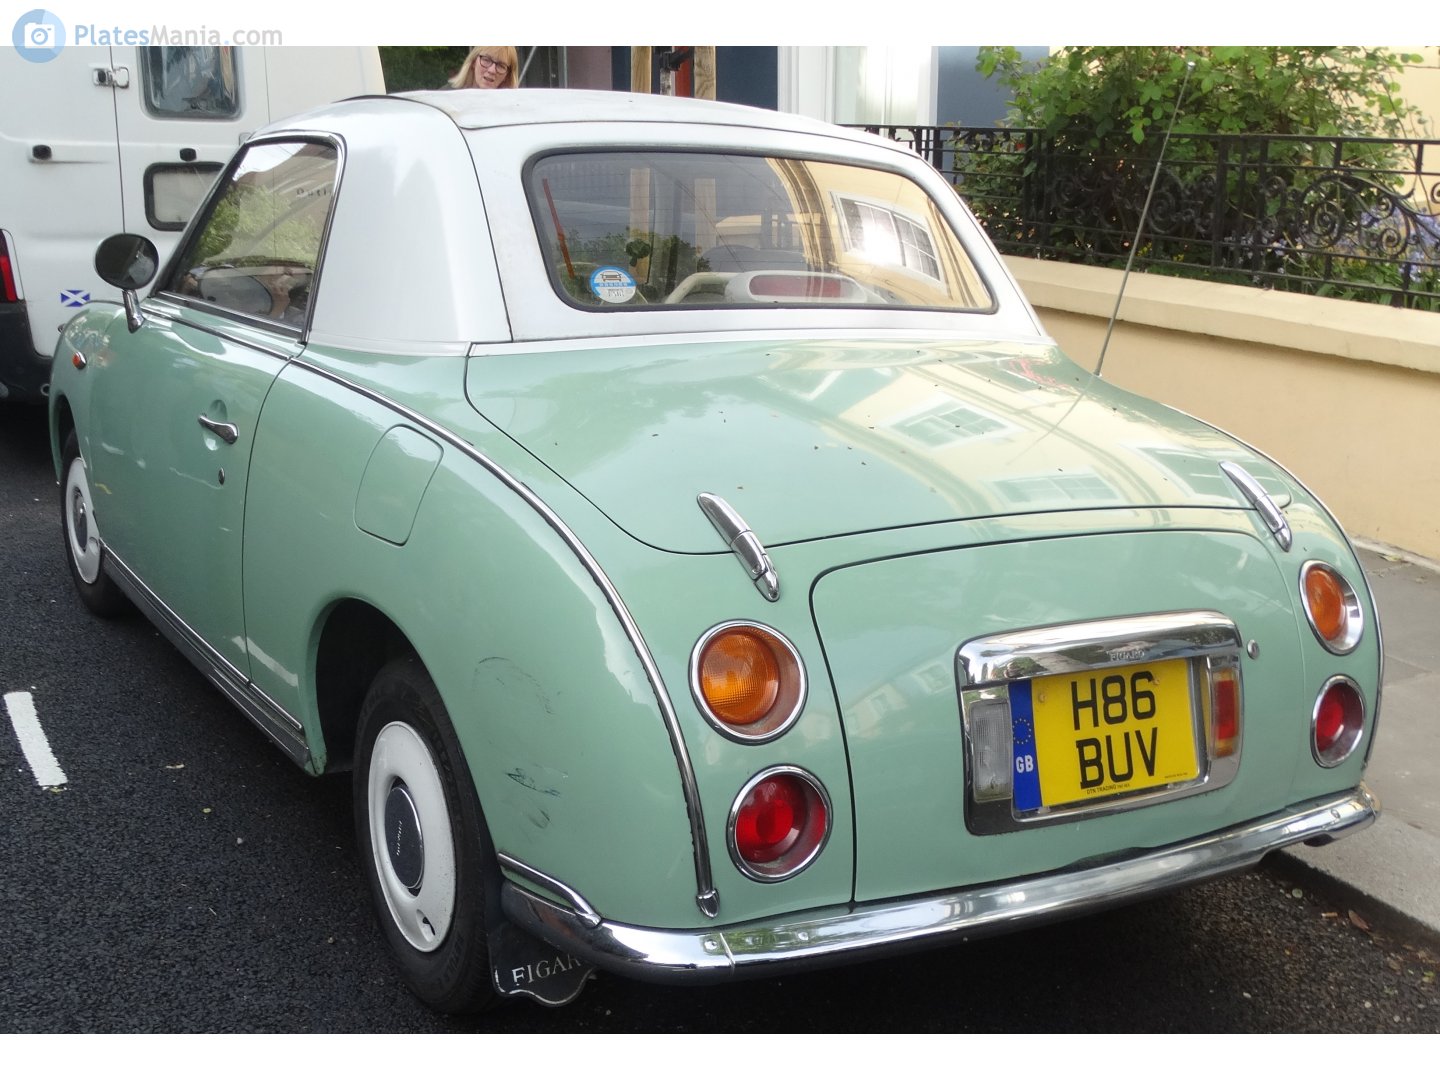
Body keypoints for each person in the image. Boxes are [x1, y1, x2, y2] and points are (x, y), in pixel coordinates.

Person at [448, 46, 519, 90]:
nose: (492, 70)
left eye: (501, 66)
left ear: (507, 75)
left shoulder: (513, 109)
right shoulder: (445, 99)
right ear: (473, 62)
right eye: (486, 60)